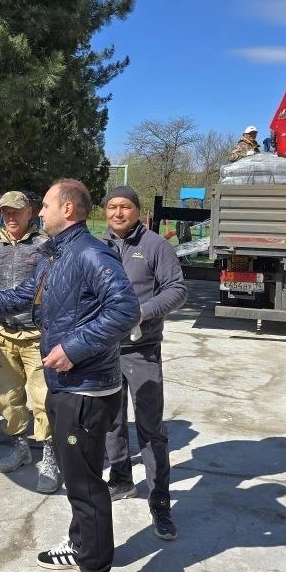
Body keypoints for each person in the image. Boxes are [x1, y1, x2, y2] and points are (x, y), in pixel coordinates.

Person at [0, 179, 138, 572]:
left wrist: (73, 348)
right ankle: (81, 544)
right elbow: (18, 297)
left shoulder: (88, 253)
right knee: (77, 474)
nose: (39, 213)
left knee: (84, 486)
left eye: (45, 206)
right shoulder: (56, 254)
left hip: (85, 389)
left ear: (68, 209)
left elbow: (125, 309)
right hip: (69, 386)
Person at [101, 186, 188, 542]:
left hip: (142, 350)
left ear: (137, 211)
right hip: (103, 351)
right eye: (112, 207)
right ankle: (121, 479)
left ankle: (160, 501)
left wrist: (144, 311)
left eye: (125, 207)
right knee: (111, 421)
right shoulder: (96, 246)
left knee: (151, 430)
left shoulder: (155, 246)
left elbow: (177, 289)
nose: (118, 213)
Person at [0, 190, 60, 493]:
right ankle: (20, 447)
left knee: (43, 399)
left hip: (37, 337)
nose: (11, 218)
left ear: (30, 214)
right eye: (6, 213)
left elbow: (57, 283)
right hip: (3, 334)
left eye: (16, 212)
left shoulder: (44, 247)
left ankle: (51, 456)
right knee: (8, 399)